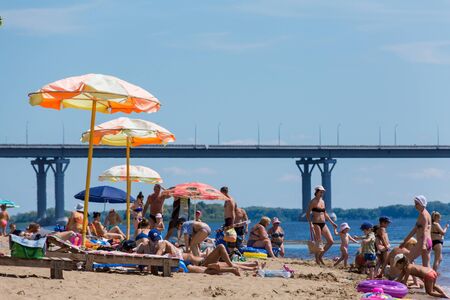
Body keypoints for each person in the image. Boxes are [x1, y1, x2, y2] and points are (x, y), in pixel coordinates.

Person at [305, 185, 338, 265]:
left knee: (331, 241)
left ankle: (320, 256)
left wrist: (332, 223)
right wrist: (310, 224)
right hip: (316, 223)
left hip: (323, 223)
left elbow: (325, 213)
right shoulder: (313, 202)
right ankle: (317, 259)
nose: (322, 193)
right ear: (316, 192)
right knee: (319, 242)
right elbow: (307, 214)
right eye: (320, 192)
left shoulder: (322, 201)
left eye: (322, 192)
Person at [400, 195, 432, 267]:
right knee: (426, 266)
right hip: (429, 242)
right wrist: (405, 241)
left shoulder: (424, 215)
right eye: (415, 204)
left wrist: (423, 244)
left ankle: (408, 278)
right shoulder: (426, 214)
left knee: (408, 260)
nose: (415, 206)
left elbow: (425, 231)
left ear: (422, 203)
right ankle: (430, 278)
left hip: (423, 242)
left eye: (417, 204)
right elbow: (414, 230)